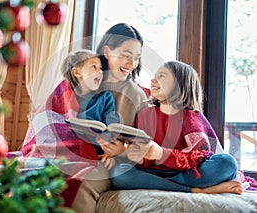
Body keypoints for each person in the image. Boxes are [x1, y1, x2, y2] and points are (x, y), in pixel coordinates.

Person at [109, 60, 242, 195]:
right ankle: (194, 190)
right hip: (154, 173)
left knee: (228, 163)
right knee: (118, 173)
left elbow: (198, 158)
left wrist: (161, 153)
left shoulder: (191, 117)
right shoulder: (145, 114)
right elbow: (144, 158)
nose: (153, 80)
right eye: (155, 76)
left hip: (186, 173)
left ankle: (175, 186)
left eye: (161, 76)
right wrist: (137, 157)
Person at [20, 49, 119, 211]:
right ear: (76, 72)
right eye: (93, 66)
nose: (99, 71)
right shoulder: (62, 93)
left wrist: (111, 149)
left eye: (101, 69)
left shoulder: (105, 97)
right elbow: (47, 120)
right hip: (65, 148)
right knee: (52, 166)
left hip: (94, 148)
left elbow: (112, 127)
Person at [70, 23, 150, 212]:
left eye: (136, 58)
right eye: (126, 56)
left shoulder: (137, 95)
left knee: (82, 182)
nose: (132, 64)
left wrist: (121, 151)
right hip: (74, 153)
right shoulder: (85, 80)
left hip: (107, 162)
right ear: (107, 51)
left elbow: (146, 144)